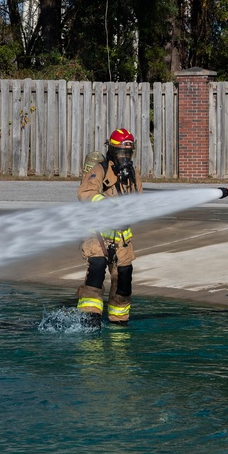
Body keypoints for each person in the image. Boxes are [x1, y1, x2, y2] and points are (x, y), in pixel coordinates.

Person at [76, 127, 143, 325]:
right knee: (96, 270)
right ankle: (89, 318)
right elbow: (85, 193)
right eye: (121, 152)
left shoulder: (132, 176)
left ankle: (119, 321)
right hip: (97, 237)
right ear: (113, 152)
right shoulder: (100, 171)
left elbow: (138, 201)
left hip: (122, 241)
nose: (125, 157)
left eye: (128, 153)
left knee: (124, 278)